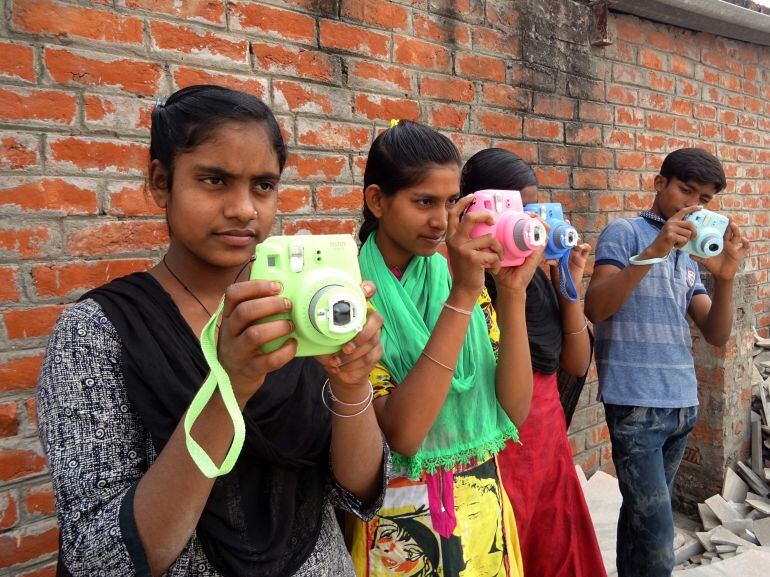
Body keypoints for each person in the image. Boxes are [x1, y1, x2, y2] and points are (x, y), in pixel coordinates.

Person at [36, 85, 389, 577]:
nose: (244, 208)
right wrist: (231, 386)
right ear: (162, 182)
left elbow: (355, 492)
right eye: (215, 180)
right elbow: (103, 560)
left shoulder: (300, 304)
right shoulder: (95, 334)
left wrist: (353, 385)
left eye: (263, 186)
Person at [347, 121, 541, 576]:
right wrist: (462, 297)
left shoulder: (464, 280)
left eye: (452, 202)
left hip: (483, 516)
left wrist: (513, 295)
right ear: (377, 201)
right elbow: (403, 434)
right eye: (424, 202)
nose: (441, 220)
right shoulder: (354, 295)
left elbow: (514, 410)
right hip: (399, 531)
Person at [584, 148, 750, 577]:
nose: (692, 204)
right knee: (659, 537)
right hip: (635, 404)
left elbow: (715, 333)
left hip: (680, 404)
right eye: (685, 190)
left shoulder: (690, 256)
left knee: (641, 522)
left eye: (705, 199)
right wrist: (655, 250)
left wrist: (725, 276)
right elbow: (596, 307)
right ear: (660, 184)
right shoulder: (625, 233)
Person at [460, 147, 606, 577]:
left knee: (555, 551)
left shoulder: (533, 280)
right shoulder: (467, 284)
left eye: (529, 208)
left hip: (547, 441)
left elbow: (576, 364)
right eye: (511, 208)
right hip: (501, 446)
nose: (527, 222)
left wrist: (569, 282)